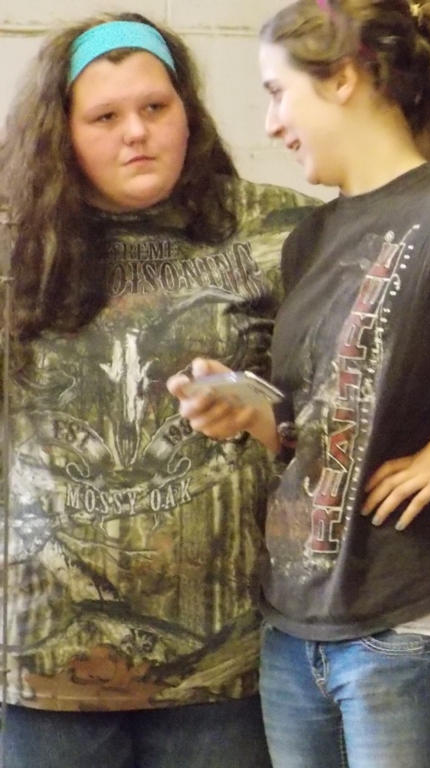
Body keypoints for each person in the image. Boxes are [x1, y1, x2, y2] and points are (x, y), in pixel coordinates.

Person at [167, 1, 430, 767]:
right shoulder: (313, 237)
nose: (271, 123)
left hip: (414, 627)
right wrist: (249, 407)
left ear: (343, 78)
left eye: (278, 92)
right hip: (298, 629)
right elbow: (319, 418)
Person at [0, 11, 319, 768]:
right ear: (61, 132)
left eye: (155, 107)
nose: (137, 133)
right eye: (105, 117)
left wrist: (259, 403)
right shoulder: (14, 242)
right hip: (42, 668)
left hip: (230, 662)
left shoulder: (276, 229)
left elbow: (350, 396)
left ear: (188, 112)